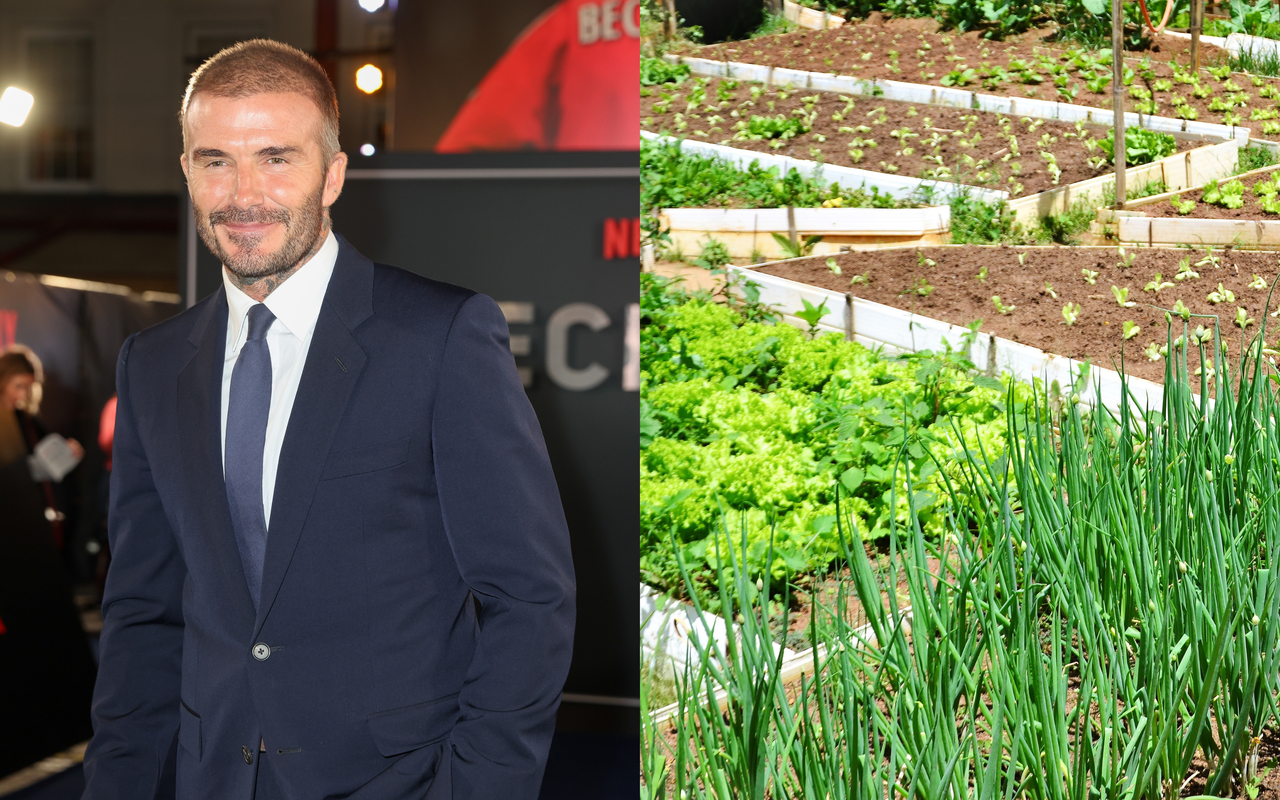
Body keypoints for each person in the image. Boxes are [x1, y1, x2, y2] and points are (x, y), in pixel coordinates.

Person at [82, 40, 576, 800]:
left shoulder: (439, 337)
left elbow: (530, 598)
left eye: (276, 158)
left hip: (395, 781)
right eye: (216, 161)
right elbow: (143, 616)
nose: (243, 194)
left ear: (333, 173)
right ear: (186, 172)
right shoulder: (152, 365)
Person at [0, 346, 83, 549]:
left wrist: (69, 451)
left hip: (26, 518)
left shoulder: (27, 420)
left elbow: (48, 452)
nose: (23, 394)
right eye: (18, 386)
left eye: (28, 387)